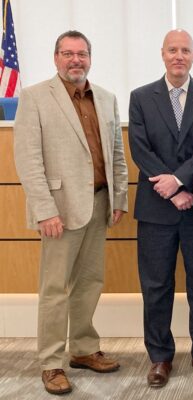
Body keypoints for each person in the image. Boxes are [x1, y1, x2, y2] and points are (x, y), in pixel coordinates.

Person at [13, 30, 128, 395]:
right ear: (55, 58)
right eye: (67, 53)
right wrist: (45, 210)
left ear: (90, 57)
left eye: (81, 54)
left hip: (99, 203)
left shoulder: (106, 98)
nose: (75, 60)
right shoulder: (33, 98)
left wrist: (119, 198)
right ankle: (50, 363)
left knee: (90, 282)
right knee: (54, 289)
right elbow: (28, 160)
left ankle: (82, 349)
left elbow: (116, 155)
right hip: (59, 210)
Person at [128, 29, 193, 388]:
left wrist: (180, 182)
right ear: (162, 54)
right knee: (156, 286)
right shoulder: (140, 97)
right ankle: (159, 357)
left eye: (185, 50)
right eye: (173, 50)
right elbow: (140, 150)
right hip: (156, 211)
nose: (179, 55)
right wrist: (170, 191)